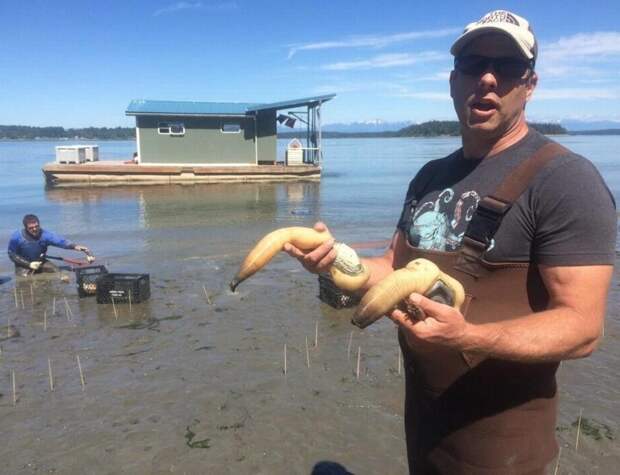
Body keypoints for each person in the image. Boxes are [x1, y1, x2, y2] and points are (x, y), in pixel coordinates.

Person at [284, 10, 616, 475]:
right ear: (453, 80)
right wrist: (334, 260)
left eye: (507, 67)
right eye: (473, 63)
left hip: (505, 453)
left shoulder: (565, 179)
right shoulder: (430, 177)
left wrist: (470, 337)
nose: (487, 78)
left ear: (530, 84)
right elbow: (391, 268)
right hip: (425, 431)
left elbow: (583, 328)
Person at [7, 214, 96, 277]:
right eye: (31, 228)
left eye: (36, 226)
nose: (35, 229)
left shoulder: (46, 235)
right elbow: (11, 254)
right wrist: (29, 264)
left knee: (57, 271)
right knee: (26, 280)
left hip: (41, 260)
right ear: (25, 227)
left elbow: (62, 242)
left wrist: (76, 247)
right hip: (23, 265)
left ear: (39, 224)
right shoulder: (17, 236)